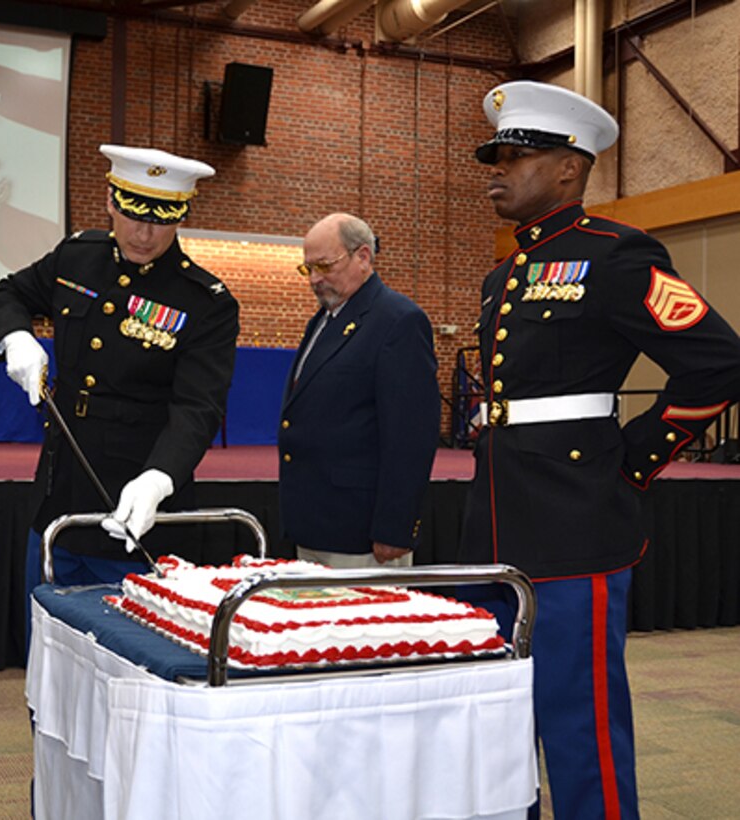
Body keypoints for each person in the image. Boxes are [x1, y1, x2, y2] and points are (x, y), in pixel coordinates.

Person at [459, 80, 740, 819]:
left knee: (575, 718)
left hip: (574, 523)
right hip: (498, 518)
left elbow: (717, 361)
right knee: (498, 711)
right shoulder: (500, 276)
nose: (496, 167)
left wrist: (633, 455)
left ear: (567, 168)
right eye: (494, 154)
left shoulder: (615, 255)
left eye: (515, 155)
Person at [0, 144, 239, 645]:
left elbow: (197, 408)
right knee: (48, 659)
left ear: (181, 216)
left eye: (162, 220)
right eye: (133, 214)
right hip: (58, 503)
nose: (145, 233)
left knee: (123, 667)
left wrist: (159, 478)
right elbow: (9, 292)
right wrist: (14, 336)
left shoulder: (205, 302)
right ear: (110, 201)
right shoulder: (77, 257)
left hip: (135, 513)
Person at [279, 212, 441, 568]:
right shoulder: (322, 320)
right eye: (309, 269)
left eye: (325, 265)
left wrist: (395, 528)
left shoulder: (398, 320)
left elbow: (411, 436)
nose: (315, 280)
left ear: (363, 257)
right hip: (314, 523)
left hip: (362, 534)